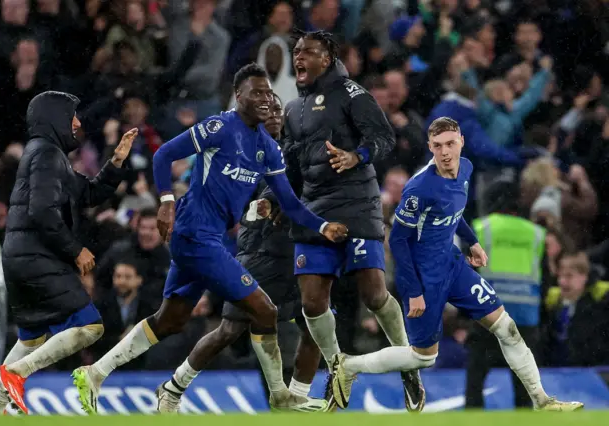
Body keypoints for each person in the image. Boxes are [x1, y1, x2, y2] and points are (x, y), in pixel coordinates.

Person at [72, 64, 348, 414]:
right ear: (239, 95)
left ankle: (95, 372)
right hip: (194, 232)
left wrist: (323, 227)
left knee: (170, 320)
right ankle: (280, 395)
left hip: (208, 238)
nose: (265, 99)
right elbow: (164, 154)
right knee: (265, 310)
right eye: (257, 93)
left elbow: (291, 204)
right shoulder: (221, 126)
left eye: (269, 94)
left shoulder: (267, 148)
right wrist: (166, 201)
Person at [326, 116, 583, 413]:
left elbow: (453, 211)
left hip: (453, 265)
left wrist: (472, 241)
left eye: (450, 143)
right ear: (430, 147)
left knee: (507, 328)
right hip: (426, 276)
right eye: (437, 146)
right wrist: (413, 291)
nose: (445, 152)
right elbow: (398, 241)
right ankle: (348, 365)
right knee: (424, 357)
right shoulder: (419, 189)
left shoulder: (467, 168)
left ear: (461, 141)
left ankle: (542, 400)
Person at [273, 30, 424, 411]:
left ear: (327, 58)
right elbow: (288, 166)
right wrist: (272, 200)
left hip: (356, 202)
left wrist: (357, 156)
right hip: (313, 209)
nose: (299, 58)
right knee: (311, 303)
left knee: (374, 294)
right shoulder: (292, 109)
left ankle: (408, 364)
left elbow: (384, 137)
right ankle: (339, 365)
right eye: (296, 52)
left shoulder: (351, 93)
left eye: (308, 52)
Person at [0, 91, 138, 415]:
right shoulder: (47, 155)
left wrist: (117, 161)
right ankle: (16, 374)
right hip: (36, 257)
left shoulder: (45, 155)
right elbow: (41, 211)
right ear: (55, 118)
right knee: (89, 325)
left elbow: (90, 193)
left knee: (31, 340)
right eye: (72, 116)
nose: (78, 123)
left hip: (20, 257)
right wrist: (75, 249)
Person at [167, 94, 324, 411]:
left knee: (318, 323)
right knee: (229, 330)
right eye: (271, 111)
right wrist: (264, 206)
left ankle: (295, 398)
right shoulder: (244, 148)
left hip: (291, 251)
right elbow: (253, 200)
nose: (277, 116)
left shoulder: (288, 150)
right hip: (260, 251)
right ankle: (174, 387)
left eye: (281, 111)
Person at [465, 178, 547, 409]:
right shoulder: (536, 234)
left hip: (489, 315)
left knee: (476, 378)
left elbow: (466, 274)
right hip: (525, 318)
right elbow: (546, 278)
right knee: (524, 384)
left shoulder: (481, 228)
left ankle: (472, 420)